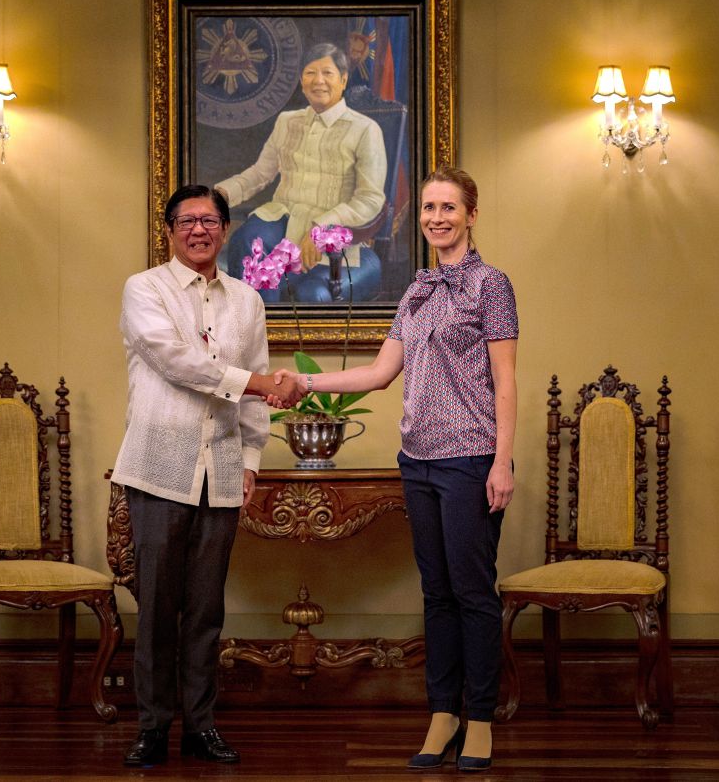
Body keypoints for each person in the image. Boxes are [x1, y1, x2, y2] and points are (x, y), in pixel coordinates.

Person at [271, 167, 518, 772]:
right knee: (436, 595)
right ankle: (443, 714)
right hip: (418, 462)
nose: (436, 217)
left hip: (470, 457)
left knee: (472, 594)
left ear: (471, 214)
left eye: (448, 207)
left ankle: (479, 717)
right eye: (429, 207)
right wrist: (305, 381)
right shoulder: (415, 292)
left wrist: (502, 460)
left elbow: (507, 382)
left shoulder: (493, 285)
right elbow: (379, 374)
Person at [112, 184, 305, 768]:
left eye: (210, 220)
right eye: (187, 220)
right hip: (158, 467)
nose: (199, 230)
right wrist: (256, 383)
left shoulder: (247, 301)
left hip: (220, 470)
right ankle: (151, 728)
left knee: (204, 609)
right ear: (169, 229)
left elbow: (255, 388)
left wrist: (250, 462)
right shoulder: (144, 289)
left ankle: (200, 726)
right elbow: (176, 360)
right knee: (156, 606)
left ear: (225, 229)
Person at [217, 42, 388, 302]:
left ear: (343, 80)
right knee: (248, 241)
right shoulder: (288, 121)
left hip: (332, 230)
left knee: (309, 293)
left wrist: (324, 227)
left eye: (327, 73)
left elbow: (370, 199)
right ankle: (257, 332)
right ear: (301, 80)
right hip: (283, 217)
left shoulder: (365, 129)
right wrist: (219, 194)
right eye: (310, 73)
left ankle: (273, 331)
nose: (318, 81)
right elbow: (261, 173)